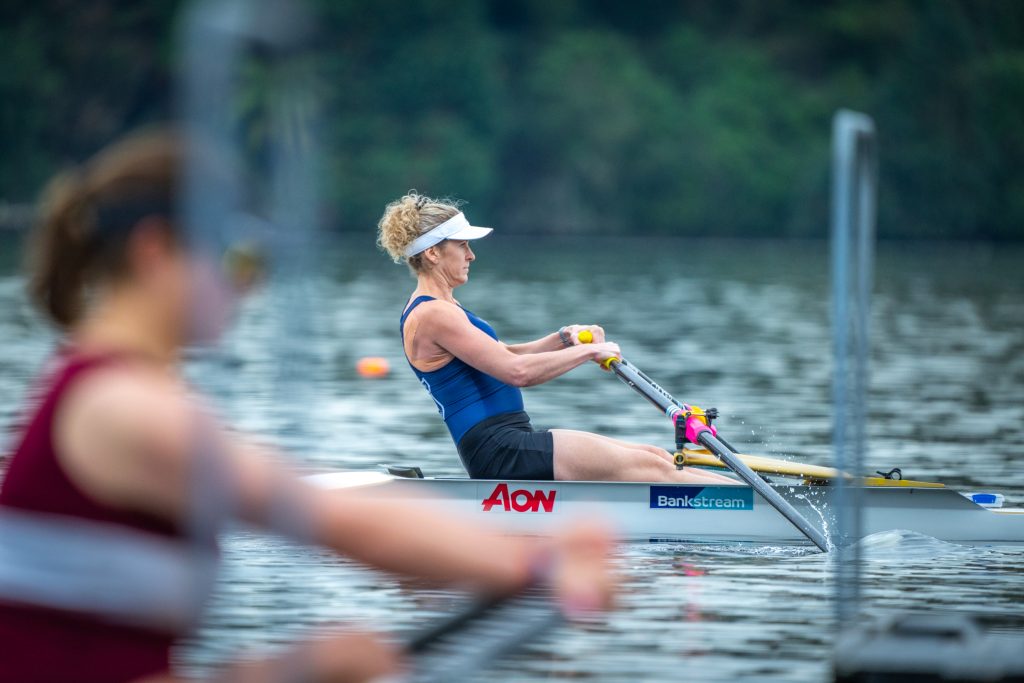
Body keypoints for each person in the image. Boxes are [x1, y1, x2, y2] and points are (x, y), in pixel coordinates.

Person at [0, 131, 614, 683]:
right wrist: (531, 562)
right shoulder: (120, 407)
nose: (252, 282)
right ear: (156, 250)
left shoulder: (125, 393)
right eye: (238, 257)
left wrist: (293, 670)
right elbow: (339, 521)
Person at [377, 192, 736, 485]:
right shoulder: (432, 314)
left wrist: (564, 339)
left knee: (653, 456)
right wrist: (590, 353)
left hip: (511, 442)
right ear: (433, 252)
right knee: (655, 470)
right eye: (462, 246)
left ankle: (746, 496)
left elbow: (503, 354)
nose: (471, 254)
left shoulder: (443, 307)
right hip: (501, 452)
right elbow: (517, 372)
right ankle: (752, 506)